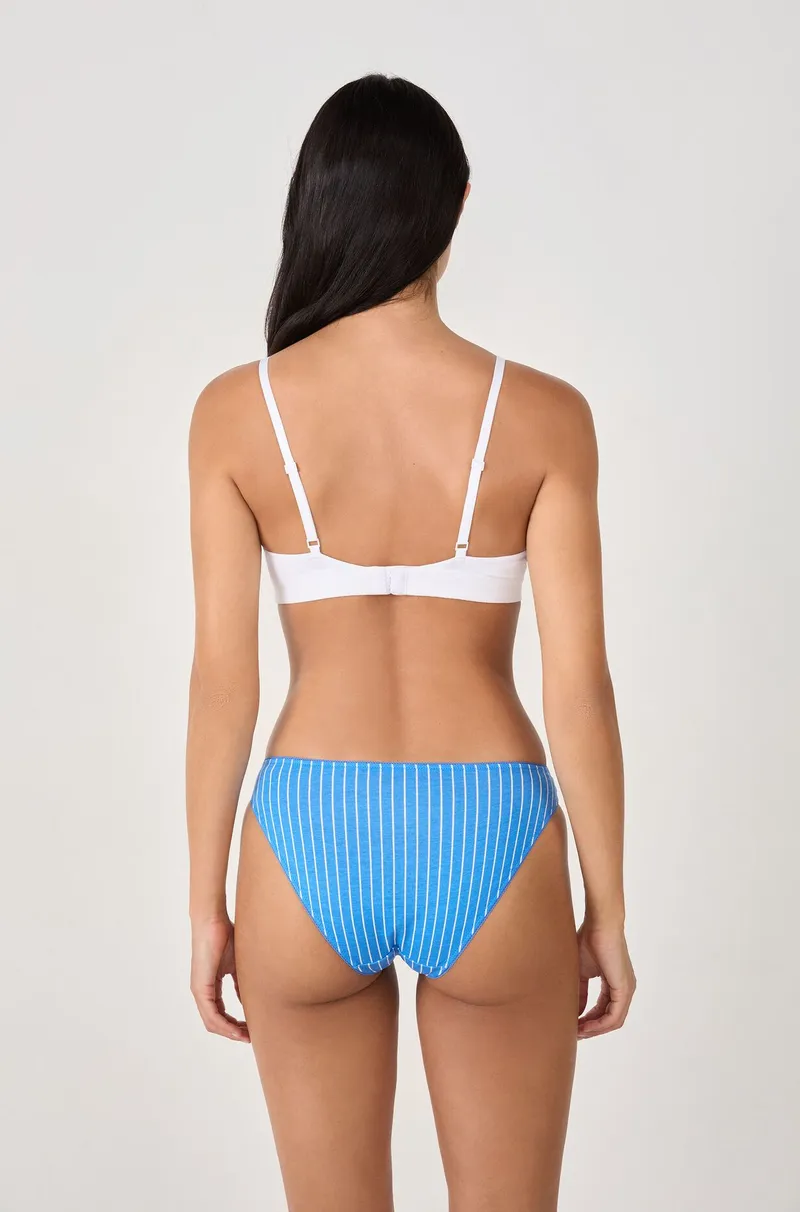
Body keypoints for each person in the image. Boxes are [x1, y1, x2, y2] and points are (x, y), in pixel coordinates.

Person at [186, 73, 635, 1212]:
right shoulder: (545, 415)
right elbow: (577, 684)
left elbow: (223, 682)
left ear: (316, 206)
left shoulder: (236, 412)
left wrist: (205, 908)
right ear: (455, 203)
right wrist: (607, 908)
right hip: (493, 832)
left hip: (305, 835)